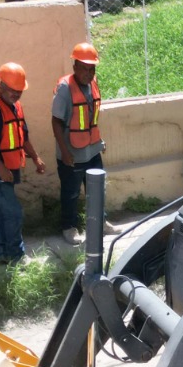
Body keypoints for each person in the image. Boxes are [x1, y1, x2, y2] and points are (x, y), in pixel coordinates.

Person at [0, 62, 46, 264]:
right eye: (12, 90)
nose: (16, 94)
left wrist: (35, 157)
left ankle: (2, 253)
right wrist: (0, 168)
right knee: (14, 211)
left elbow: (23, 137)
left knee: (3, 211)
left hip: (9, 169)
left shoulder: (16, 107)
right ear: (1, 86)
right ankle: (16, 254)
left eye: (19, 91)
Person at [52, 42, 105, 245]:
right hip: (72, 153)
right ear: (75, 67)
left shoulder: (93, 83)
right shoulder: (65, 88)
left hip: (92, 150)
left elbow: (92, 117)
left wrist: (100, 142)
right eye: (84, 68)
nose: (88, 73)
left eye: (92, 68)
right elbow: (56, 122)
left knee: (97, 190)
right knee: (71, 192)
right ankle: (69, 227)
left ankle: (100, 222)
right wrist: (64, 152)